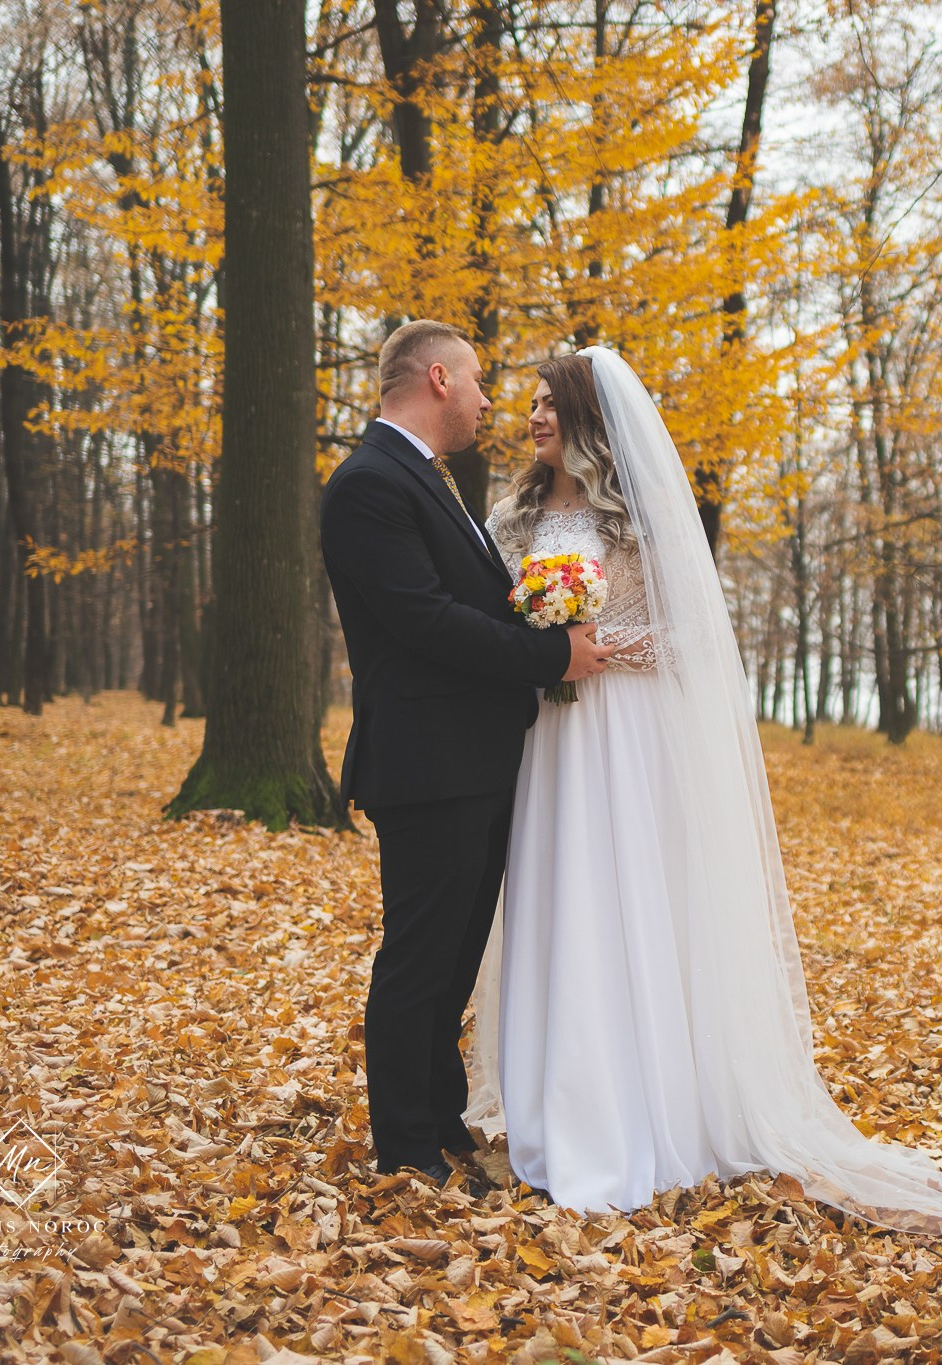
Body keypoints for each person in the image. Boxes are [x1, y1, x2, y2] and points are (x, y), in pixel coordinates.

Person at [461, 347, 942, 1233]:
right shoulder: (511, 521)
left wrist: (599, 646)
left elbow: (689, 639)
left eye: (550, 402)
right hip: (548, 738)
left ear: (589, 417)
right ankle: (552, 1104)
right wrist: (545, 645)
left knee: (621, 901)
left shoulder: (635, 520)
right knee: (553, 901)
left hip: (619, 738)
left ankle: (637, 1109)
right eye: (527, 403)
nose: (533, 416)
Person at [319, 321, 619, 1183]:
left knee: (452, 956)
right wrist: (550, 656)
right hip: (426, 763)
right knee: (419, 957)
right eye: (482, 383)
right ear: (439, 380)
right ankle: (405, 1147)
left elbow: (477, 601)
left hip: (474, 759)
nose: (492, 402)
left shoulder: (427, 479)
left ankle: (442, 1121)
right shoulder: (369, 485)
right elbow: (425, 623)